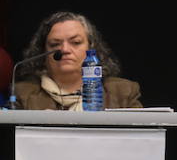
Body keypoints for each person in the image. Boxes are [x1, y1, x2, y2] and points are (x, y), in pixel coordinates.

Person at [12, 11, 142, 110]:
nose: (64, 49)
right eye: (54, 44)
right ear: (42, 53)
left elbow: (141, 140)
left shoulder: (123, 92)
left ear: (91, 48)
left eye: (75, 42)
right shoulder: (23, 94)